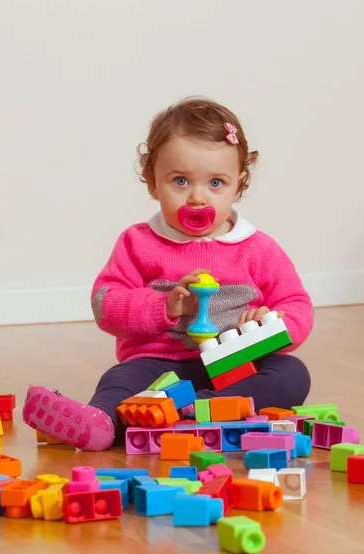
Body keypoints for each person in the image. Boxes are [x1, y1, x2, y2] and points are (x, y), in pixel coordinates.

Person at [23, 97, 314, 451]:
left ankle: (196, 412)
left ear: (239, 183)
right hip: (160, 365)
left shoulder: (257, 248)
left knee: (292, 373)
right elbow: (106, 304)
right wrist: (165, 306)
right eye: (180, 181)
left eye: (216, 183)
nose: (196, 197)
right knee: (120, 379)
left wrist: (272, 320)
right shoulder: (139, 243)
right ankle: (99, 423)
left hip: (235, 368)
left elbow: (296, 303)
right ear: (152, 183)